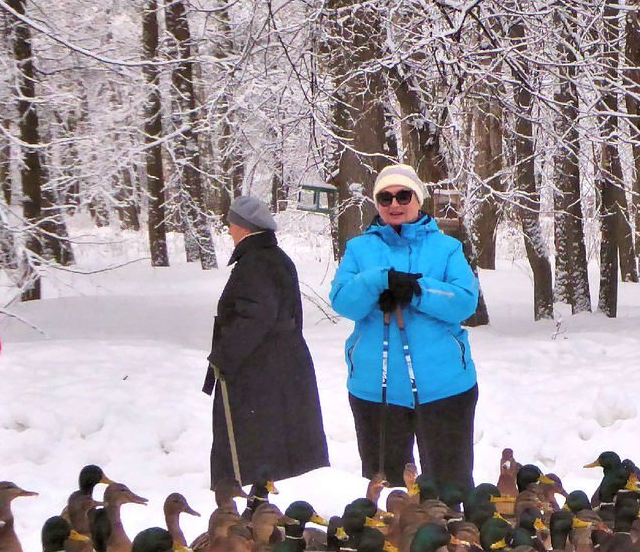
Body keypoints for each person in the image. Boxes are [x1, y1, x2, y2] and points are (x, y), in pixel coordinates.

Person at [330, 163, 480, 498]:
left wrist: (417, 290)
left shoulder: (446, 248)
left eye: (403, 195)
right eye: (385, 197)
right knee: (387, 493)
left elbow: (465, 301)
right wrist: (378, 280)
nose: (394, 204)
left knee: (449, 489)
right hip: (376, 389)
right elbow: (342, 301)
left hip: (444, 387)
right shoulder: (359, 249)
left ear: (418, 199)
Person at [204, 196, 329, 500]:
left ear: (242, 227)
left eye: (231, 224)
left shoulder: (254, 263)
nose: (229, 231)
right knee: (289, 442)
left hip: (258, 372)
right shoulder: (276, 257)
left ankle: (250, 505)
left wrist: (223, 358)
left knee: (257, 443)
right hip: (287, 364)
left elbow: (255, 315)